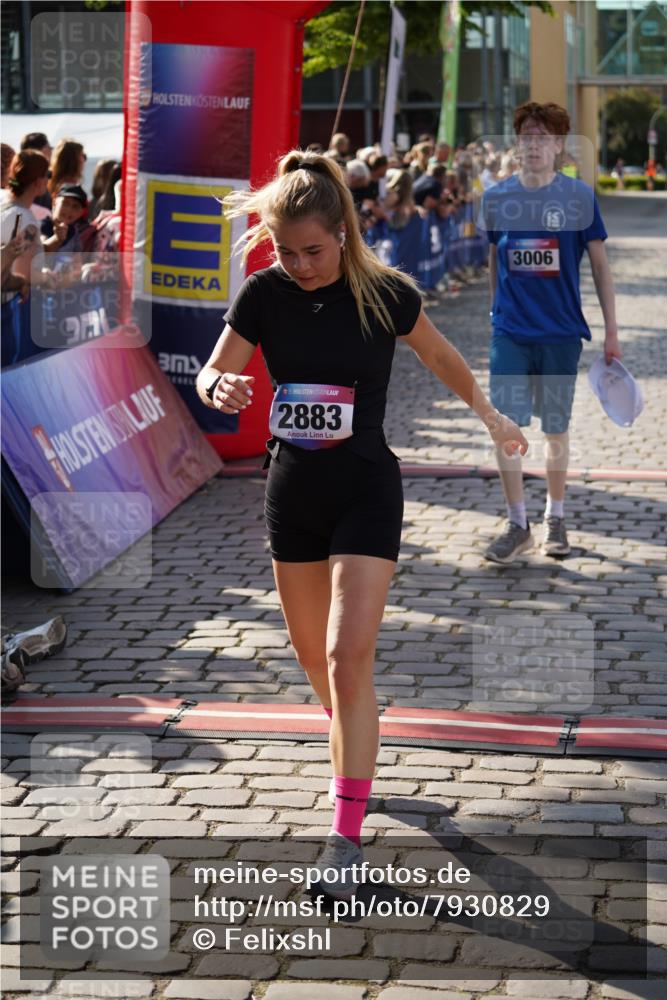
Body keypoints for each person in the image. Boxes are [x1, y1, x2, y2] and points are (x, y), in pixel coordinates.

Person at [196, 149, 528, 895]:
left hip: (366, 491)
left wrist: (490, 417)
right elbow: (216, 368)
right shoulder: (263, 293)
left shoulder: (386, 294)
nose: (299, 265)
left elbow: (440, 357)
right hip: (291, 494)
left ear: (341, 233)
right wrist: (217, 387)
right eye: (285, 251)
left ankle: (344, 839)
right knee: (315, 662)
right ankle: (354, 739)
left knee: (347, 657)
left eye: (311, 251)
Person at [481, 101, 621, 564]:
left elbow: (600, 266)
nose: (533, 145)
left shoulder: (579, 197)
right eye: (526, 137)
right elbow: (494, 260)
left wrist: (611, 332)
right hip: (511, 332)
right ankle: (517, 523)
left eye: (543, 137)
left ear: (560, 145)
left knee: (556, 429)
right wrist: (495, 313)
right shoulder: (497, 198)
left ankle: (554, 517)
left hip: (561, 333)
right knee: (505, 426)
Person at [20, 132, 53, 210]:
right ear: (42, 150)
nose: (51, 151)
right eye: (49, 147)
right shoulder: (33, 178)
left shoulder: (18, 174)